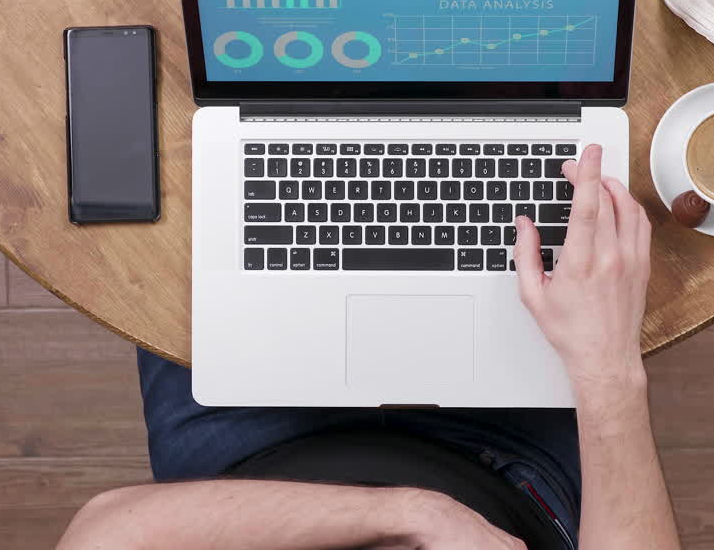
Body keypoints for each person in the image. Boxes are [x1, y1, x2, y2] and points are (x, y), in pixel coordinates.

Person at [57, 145, 681, 550]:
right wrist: (608, 371)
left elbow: (100, 536)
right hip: (511, 461)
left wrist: (416, 515)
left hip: (251, 454)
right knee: (598, 280)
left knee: (200, 158)